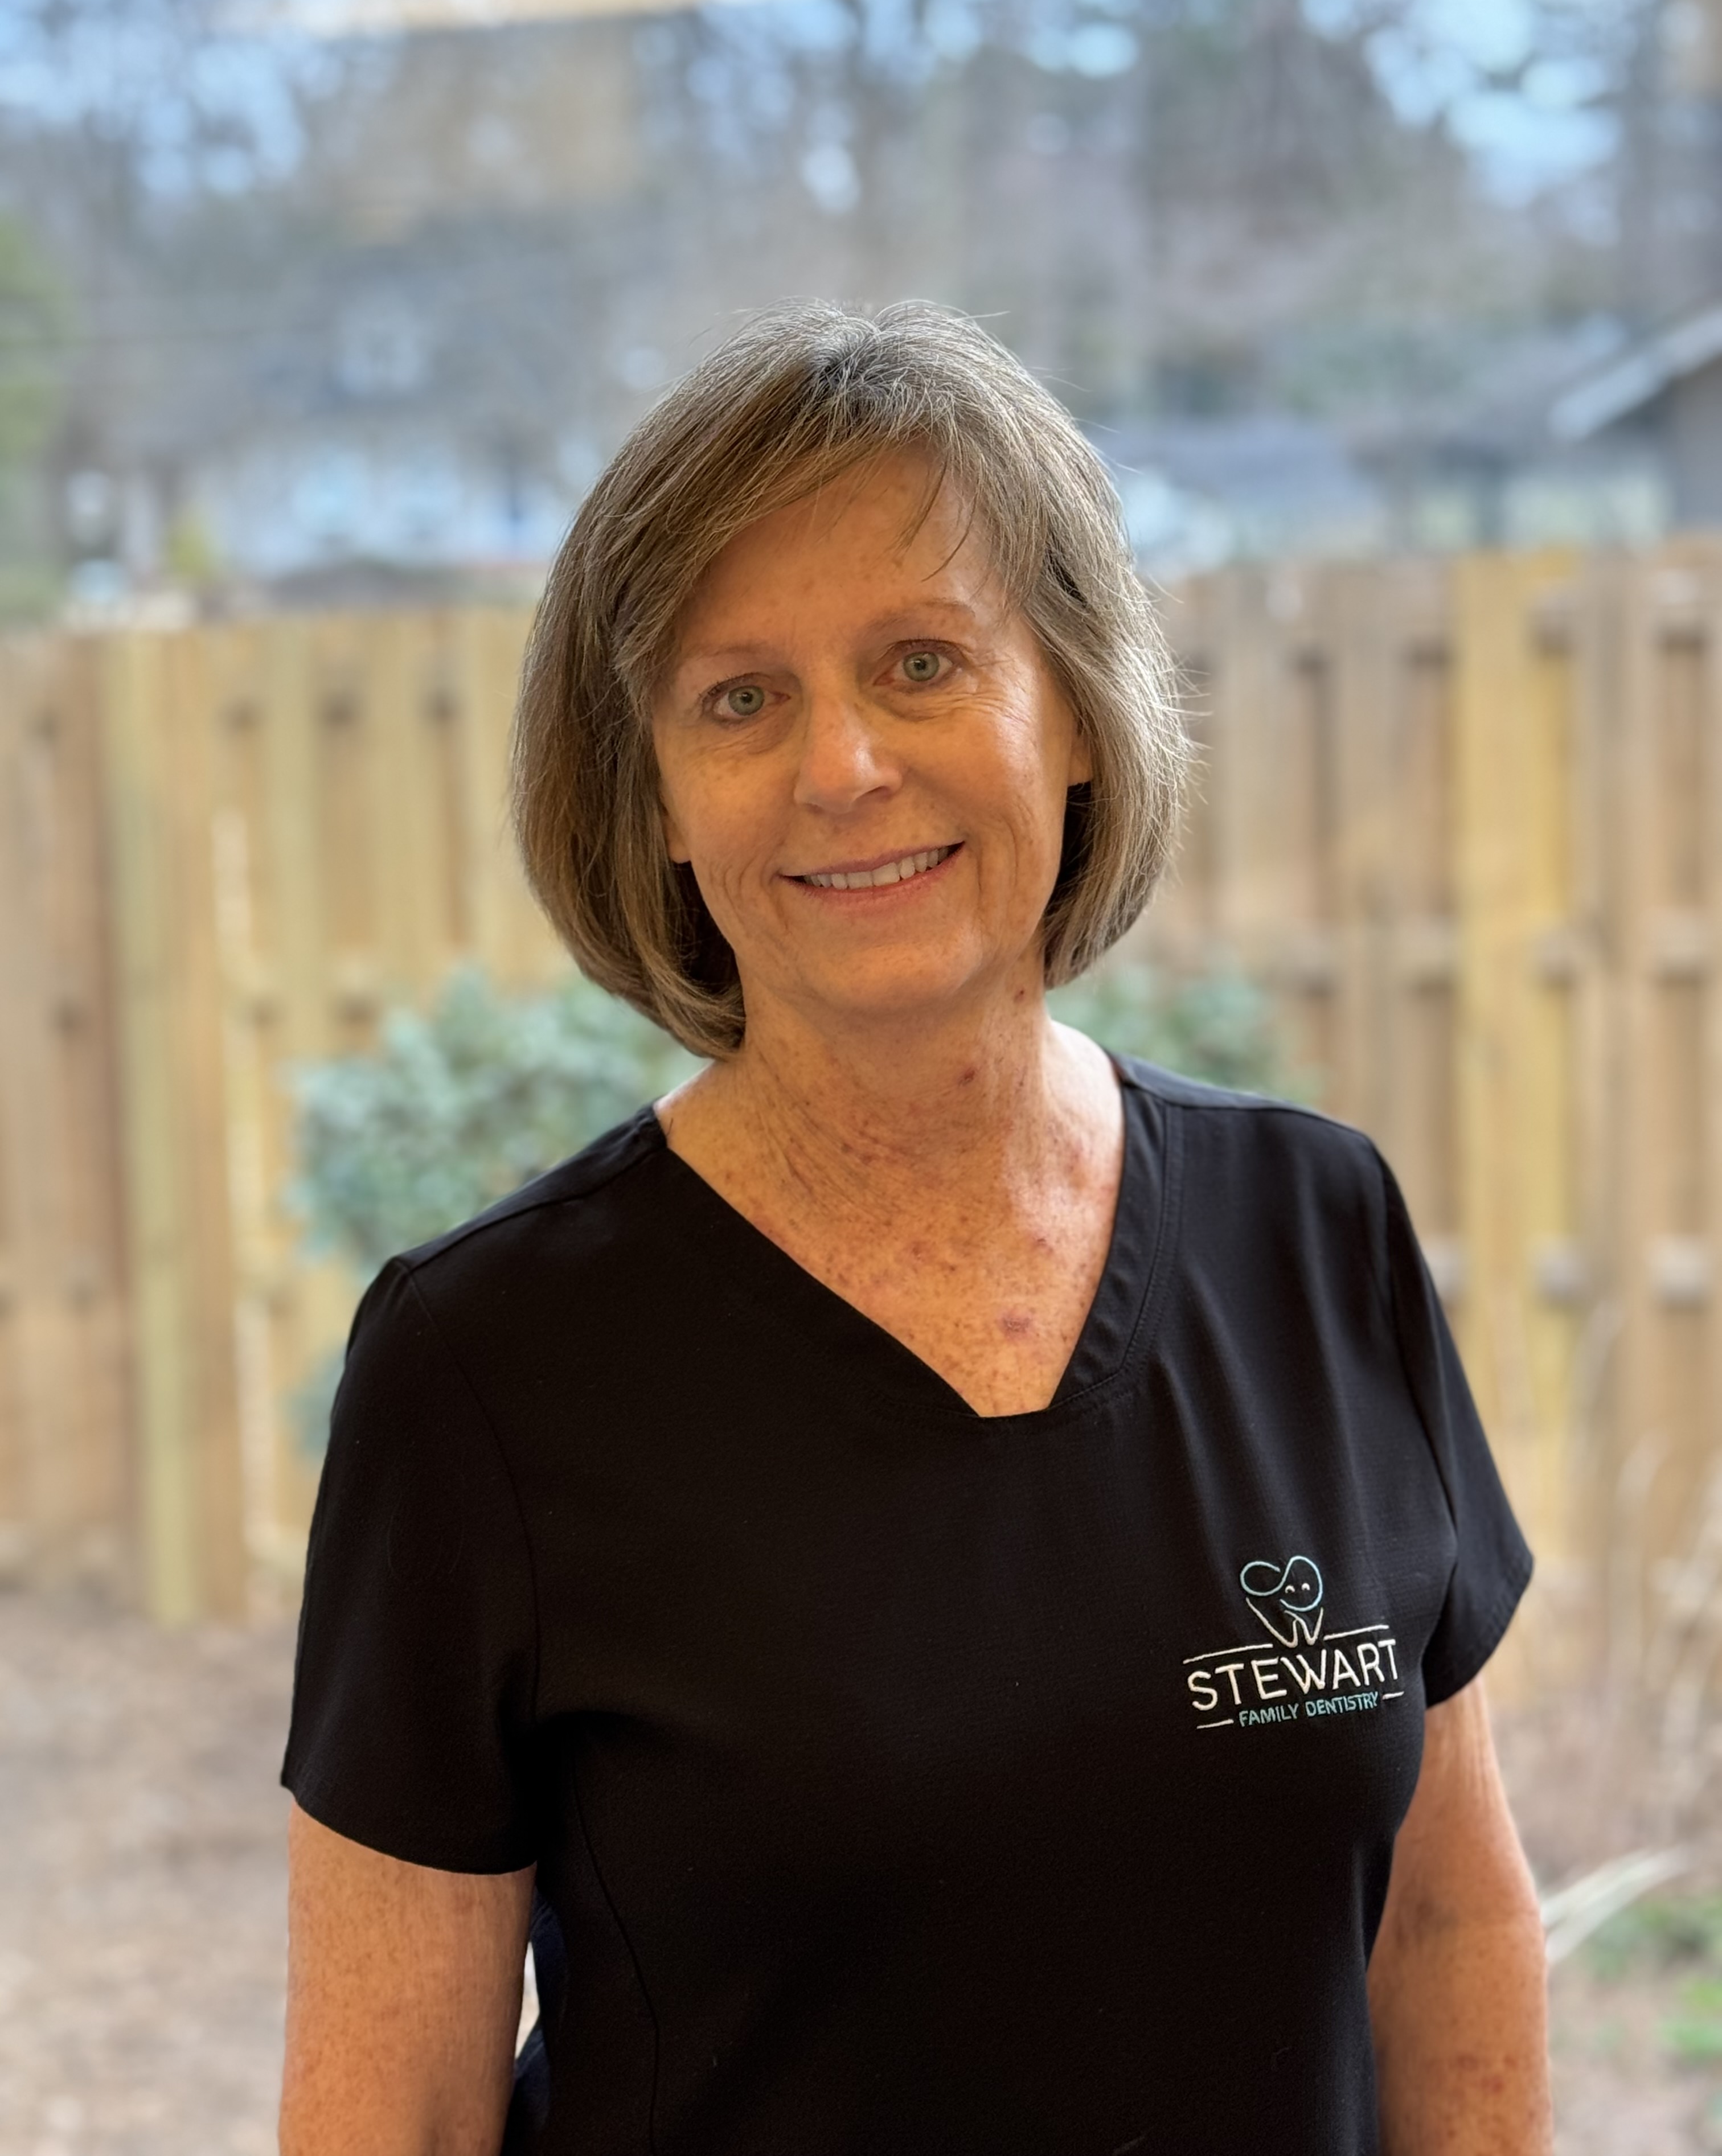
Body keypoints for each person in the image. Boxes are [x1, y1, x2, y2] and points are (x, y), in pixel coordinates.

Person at [278, 301, 1552, 2155]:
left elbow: (1446, 1921)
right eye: (742, 697)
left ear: (1082, 718)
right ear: (656, 809)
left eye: (923, 662)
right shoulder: (487, 1369)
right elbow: (386, 2117)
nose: (844, 767)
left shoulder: (1317, 1228)